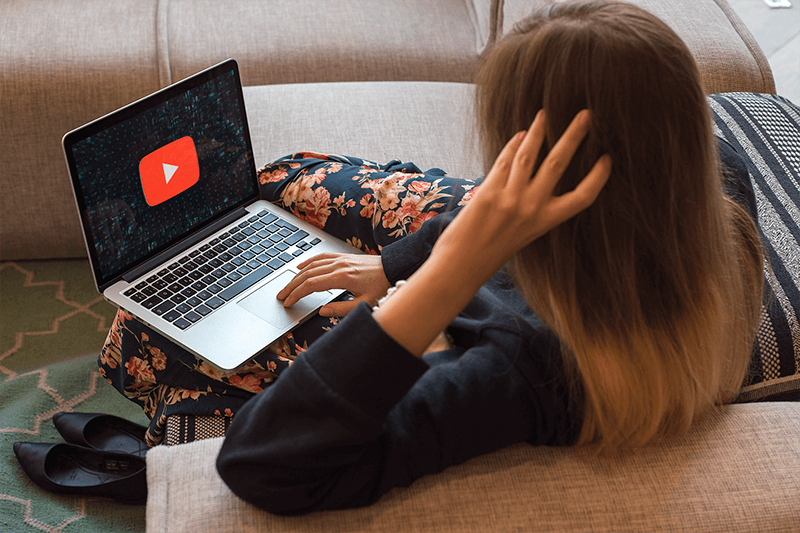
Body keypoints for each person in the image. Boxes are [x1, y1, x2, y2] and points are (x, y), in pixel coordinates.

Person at [102, 0, 764, 515]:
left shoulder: (527, 371)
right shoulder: (714, 186)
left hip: (464, 305)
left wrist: (446, 274)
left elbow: (260, 462)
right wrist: (392, 264)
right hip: (514, 262)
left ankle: (170, 437)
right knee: (282, 180)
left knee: (146, 331)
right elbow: (488, 201)